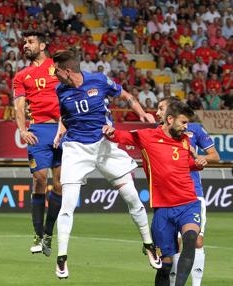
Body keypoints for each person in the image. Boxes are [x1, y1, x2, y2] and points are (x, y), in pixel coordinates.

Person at [51, 50, 160, 279]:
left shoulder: (98, 80)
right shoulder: (60, 90)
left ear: (68, 71)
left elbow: (125, 95)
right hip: (76, 149)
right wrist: (60, 131)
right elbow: (64, 116)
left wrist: (142, 114)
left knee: (132, 197)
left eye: (57, 71)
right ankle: (62, 258)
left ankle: (148, 244)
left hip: (105, 145)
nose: (55, 74)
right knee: (67, 203)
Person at [103, 101, 207, 286]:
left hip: (188, 203)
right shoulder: (147, 136)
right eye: (183, 122)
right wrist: (110, 132)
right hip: (163, 210)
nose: (186, 127)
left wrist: (196, 163)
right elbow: (121, 136)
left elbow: (182, 164)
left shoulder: (184, 140)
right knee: (165, 266)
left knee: (190, 239)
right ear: (170, 119)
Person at [156, 98, 220, 286]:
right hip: (168, 196)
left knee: (196, 240)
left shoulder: (195, 130)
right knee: (173, 246)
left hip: (193, 193)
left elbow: (215, 156)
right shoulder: (157, 132)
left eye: (162, 107)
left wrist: (198, 156)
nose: (158, 112)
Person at [12, 30, 63, 257]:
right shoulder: (21, 75)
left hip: (63, 129)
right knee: (39, 178)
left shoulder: (58, 67)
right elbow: (19, 106)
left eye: (30, 42)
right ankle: (38, 232)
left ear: (43, 46)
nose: (25, 45)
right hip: (39, 130)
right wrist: (23, 130)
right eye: (24, 42)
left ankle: (49, 234)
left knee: (60, 185)